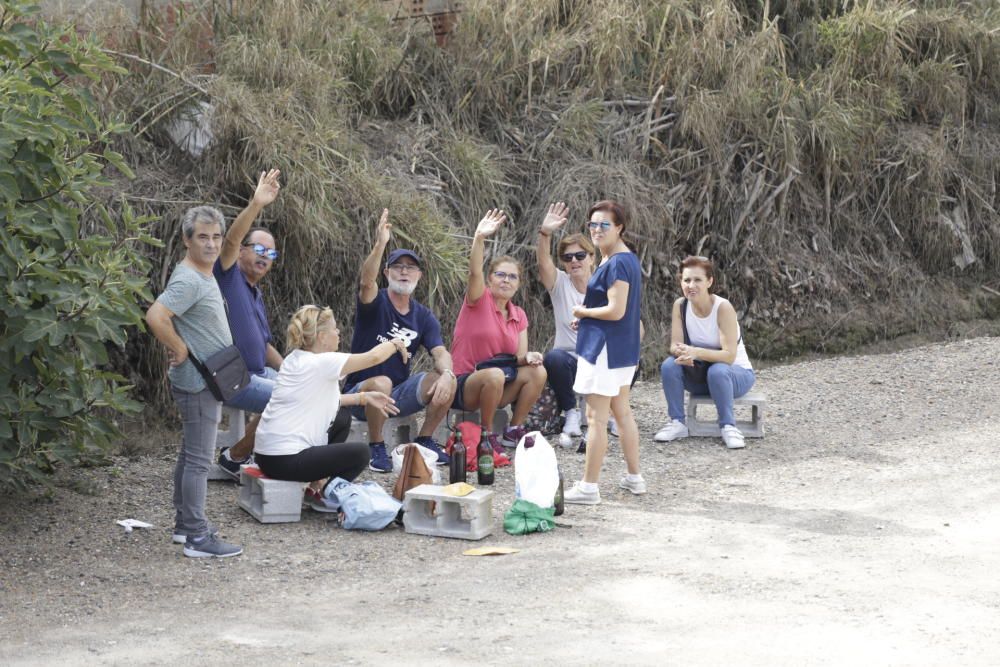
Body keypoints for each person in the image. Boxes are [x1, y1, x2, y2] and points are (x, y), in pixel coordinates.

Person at [146, 206, 245, 558]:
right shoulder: (189, 279)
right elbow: (155, 315)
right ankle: (197, 538)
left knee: (191, 456)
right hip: (198, 382)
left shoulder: (203, 271)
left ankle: (185, 526)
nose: (212, 244)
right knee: (200, 461)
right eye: (202, 237)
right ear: (187, 240)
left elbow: (233, 245)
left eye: (216, 236)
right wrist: (179, 348)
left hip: (204, 380)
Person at [254, 305, 407, 509]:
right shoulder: (323, 362)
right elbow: (374, 357)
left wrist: (363, 397)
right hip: (286, 460)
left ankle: (317, 484)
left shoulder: (296, 358)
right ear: (322, 337)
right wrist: (395, 343)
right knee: (361, 453)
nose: (338, 333)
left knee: (342, 418)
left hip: (267, 456)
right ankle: (327, 495)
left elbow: (321, 400)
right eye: (334, 329)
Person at [344, 209, 457, 473]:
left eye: (410, 268)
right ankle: (376, 445)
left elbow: (440, 351)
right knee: (381, 382)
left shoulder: (423, 317)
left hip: (397, 394)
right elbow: (365, 281)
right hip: (360, 395)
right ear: (387, 272)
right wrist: (380, 243)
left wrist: (448, 373)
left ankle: (426, 438)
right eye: (398, 267)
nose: (404, 272)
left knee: (445, 378)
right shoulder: (376, 301)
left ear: (419, 275)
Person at [564, 200, 645, 505]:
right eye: (593, 224)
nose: (596, 230)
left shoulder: (617, 262)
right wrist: (586, 314)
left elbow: (616, 310)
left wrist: (583, 311)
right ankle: (634, 477)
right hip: (622, 350)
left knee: (595, 417)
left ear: (620, 227)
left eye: (604, 225)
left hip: (605, 351)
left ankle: (588, 487)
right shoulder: (624, 259)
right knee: (621, 412)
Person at [450, 209, 547, 455]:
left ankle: (513, 430)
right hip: (466, 384)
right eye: (500, 275)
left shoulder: (519, 315)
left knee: (537, 372)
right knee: (493, 375)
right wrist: (479, 238)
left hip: (501, 383)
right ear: (490, 279)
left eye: (512, 277)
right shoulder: (478, 301)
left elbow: (519, 358)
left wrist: (531, 357)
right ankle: (487, 434)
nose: (506, 280)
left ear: (518, 284)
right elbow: (474, 272)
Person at [208, 169, 284, 479]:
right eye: (259, 250)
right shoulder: (227, 275)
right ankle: (235, 456)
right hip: (232, 376)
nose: (265, 257)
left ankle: (269, 457)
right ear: (242, 252)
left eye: (271, 253)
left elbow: (265, 346)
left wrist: (296, 368)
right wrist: (257, 205)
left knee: (302, 388)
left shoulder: (256, 292)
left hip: (259, 372)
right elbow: (229, 241)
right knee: (290, 398)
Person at [654, 256, 755, 449]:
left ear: (709, 281)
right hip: (702, 375)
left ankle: (728, 426)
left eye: (697, 280)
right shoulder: (680, 306)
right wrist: (682, 353)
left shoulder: (722, 308)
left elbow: (729, 356)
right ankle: (677, 423)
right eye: (686, 280)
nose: (691, 285)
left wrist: (696, 352)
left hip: (735, 375)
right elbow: (674, 345)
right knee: (669, 365)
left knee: (717, 370)